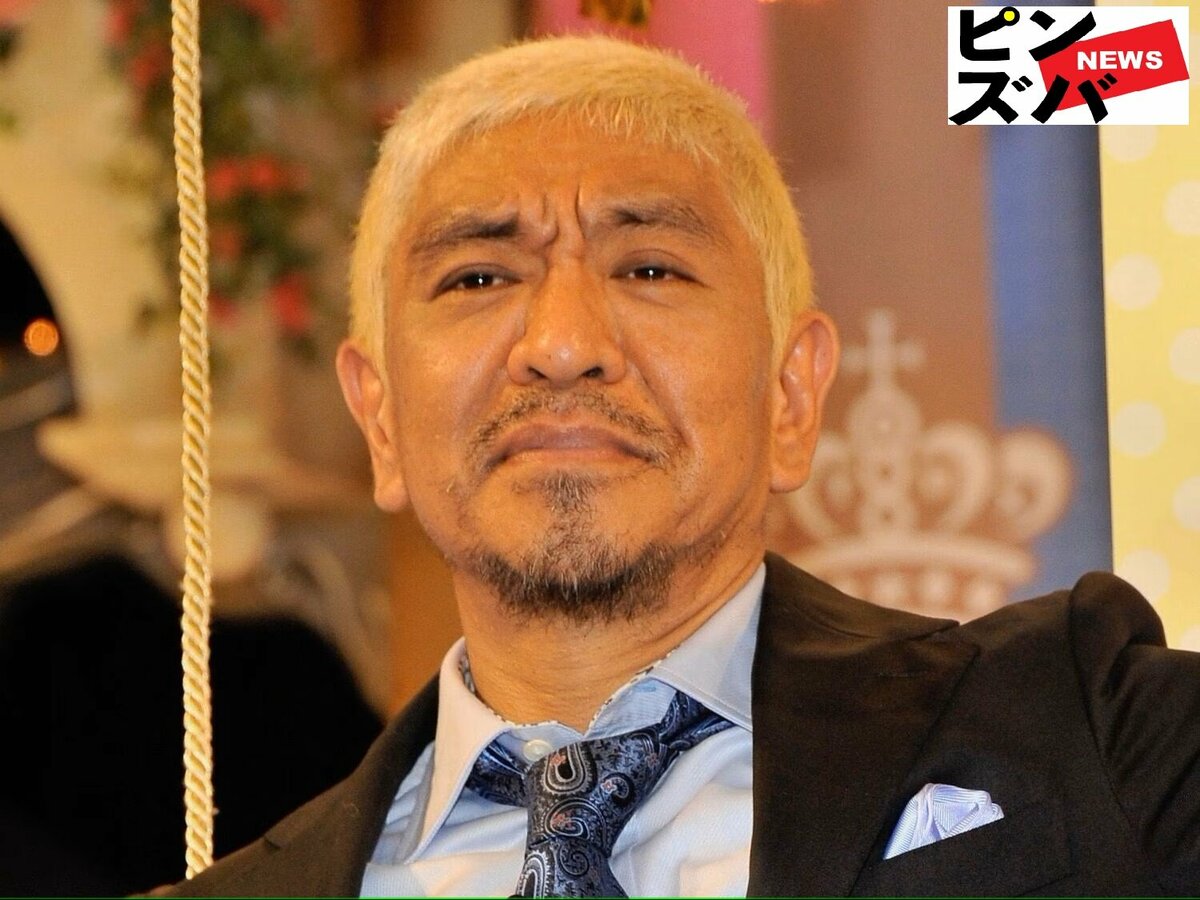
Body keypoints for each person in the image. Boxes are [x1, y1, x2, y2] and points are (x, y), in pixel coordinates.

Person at [165, 35, 1200, 897]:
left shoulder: (1091, 731)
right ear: (381, 418)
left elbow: (1166, 50)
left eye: (650, 267)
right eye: (478, 277)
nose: (562, 343)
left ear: (791, 393)